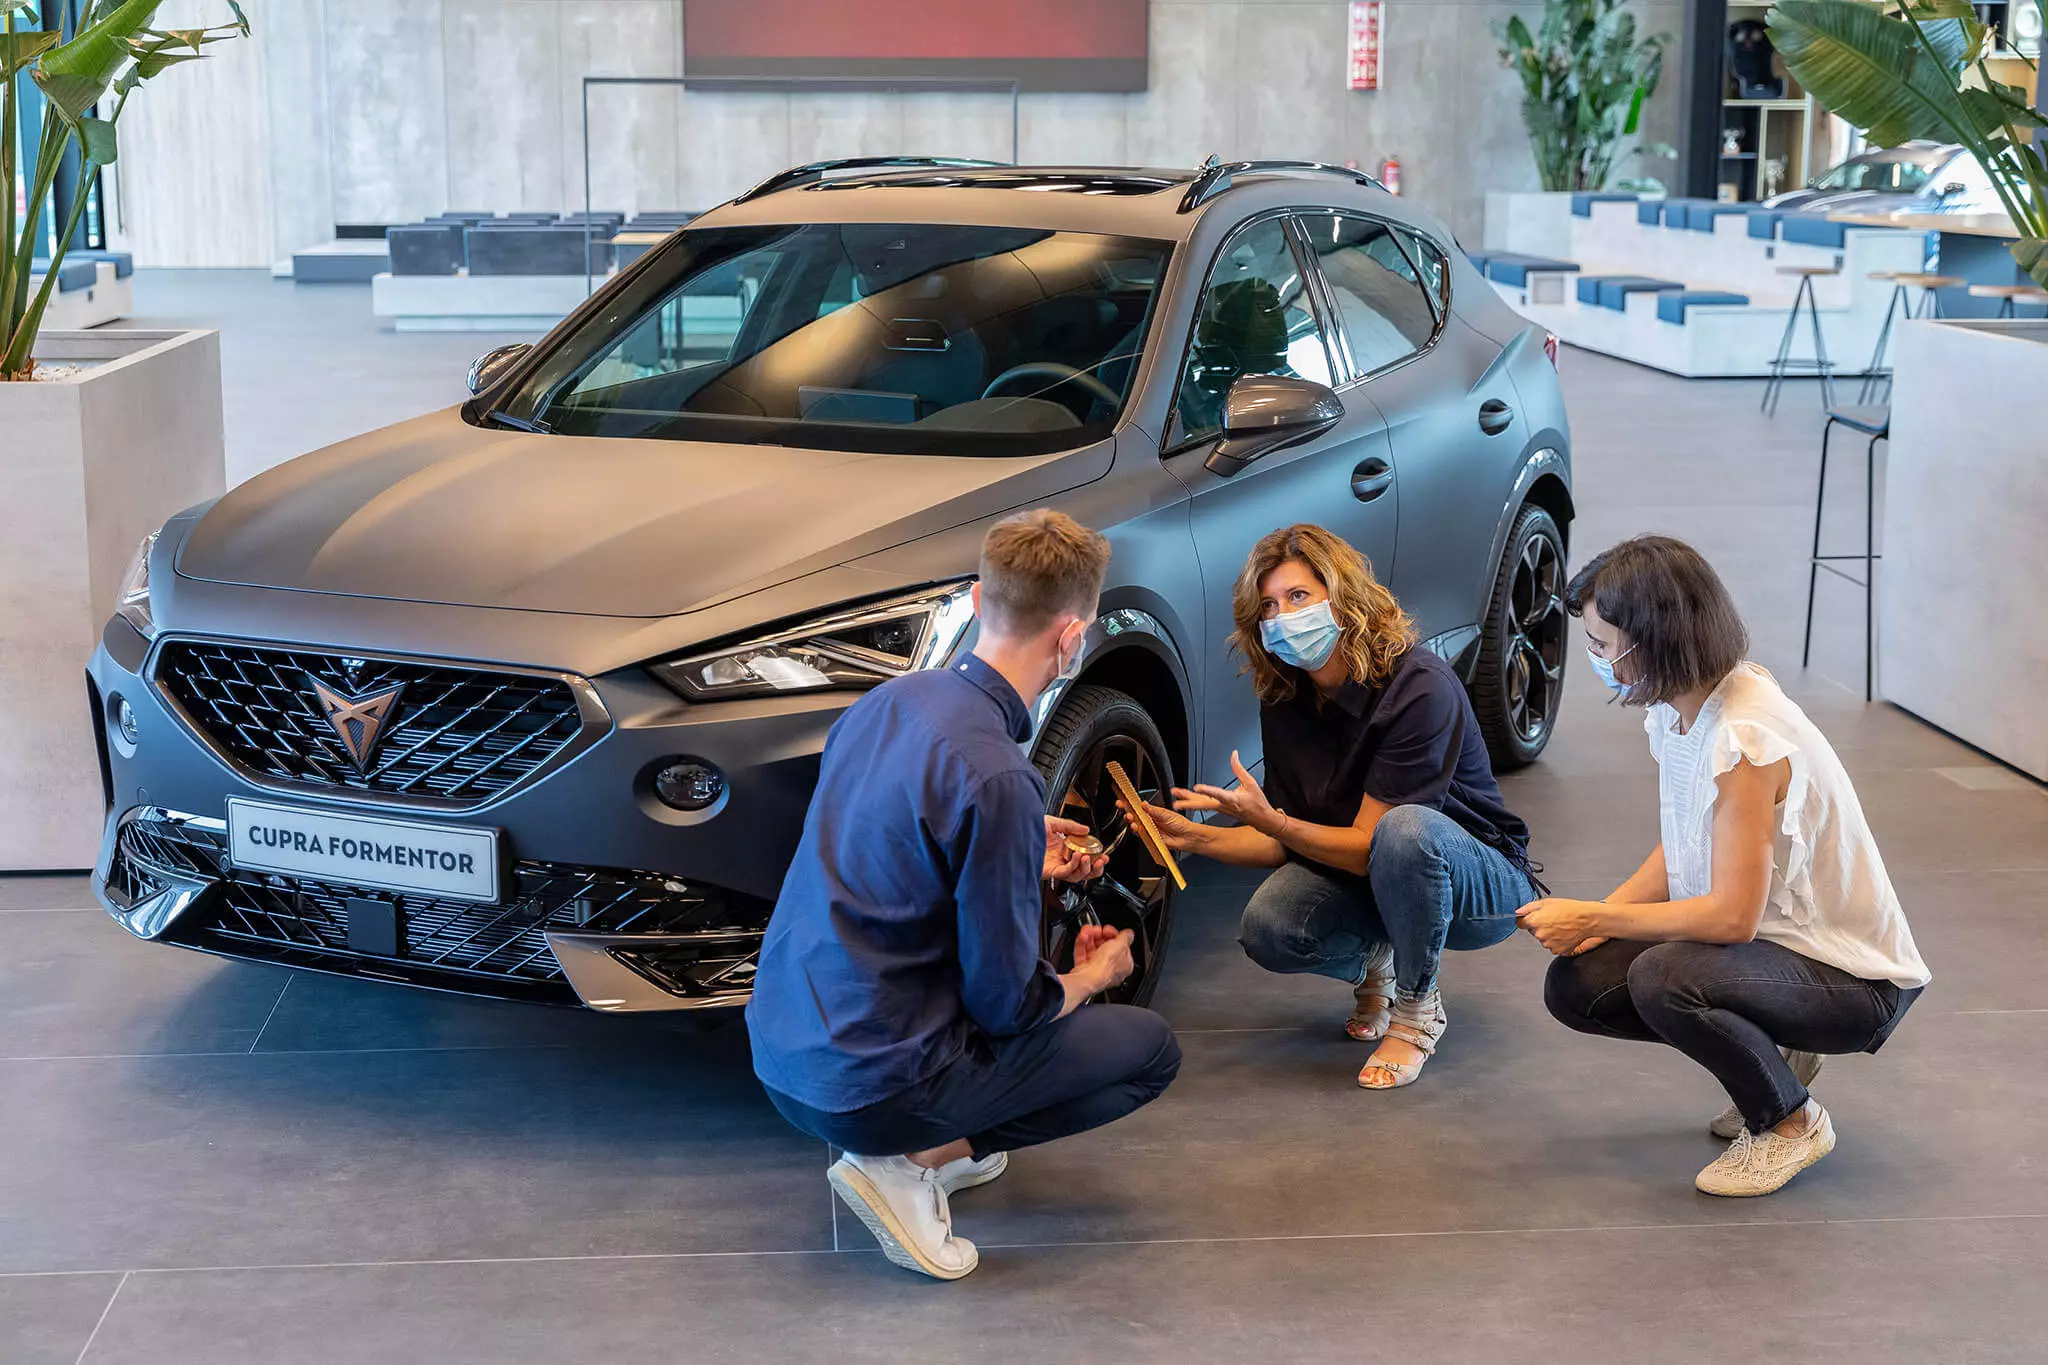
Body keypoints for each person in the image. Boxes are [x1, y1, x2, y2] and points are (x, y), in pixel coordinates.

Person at [747, 509, 1181, 1280]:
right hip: (868, 1091)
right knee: (1149, 1050)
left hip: (782, 1052)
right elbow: (1006, 1006)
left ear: (979, 601)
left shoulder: (886, 704)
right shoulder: (1000, 774)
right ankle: (910, 1160)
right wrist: (1093, 976)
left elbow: (890, 860)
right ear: (1073, 636)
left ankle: (925, 1146)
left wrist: (1018, 855)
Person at [1522, 535, 1929, 1197]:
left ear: (1654, 639)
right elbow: (1681, 843)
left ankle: (1791, 1122)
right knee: (1580, 982)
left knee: (1663, 974)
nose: (1593, 657)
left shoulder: (1745, 737)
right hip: (1782, 953)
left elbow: (1732, 917)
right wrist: (1599, 925)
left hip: (1856, 982)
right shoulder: (1684, 706)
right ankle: (1776, 1053)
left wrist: (1598, 913)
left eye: (1601, 644)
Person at [1137, 524, 1539, 1090]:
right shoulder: (1286, 695)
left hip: (1479, 885)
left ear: (1343, 597)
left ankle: (1417, 1009)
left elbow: (1369, 847)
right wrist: (1195, 836)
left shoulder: (1420, 687)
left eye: (1298, 597)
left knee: (1406, 830)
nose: (1282, 617)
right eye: (1269, 606)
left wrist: (1271, 819)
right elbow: (1286, 841)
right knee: (1270, 928)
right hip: (1381, 873)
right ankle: (1382, 959)